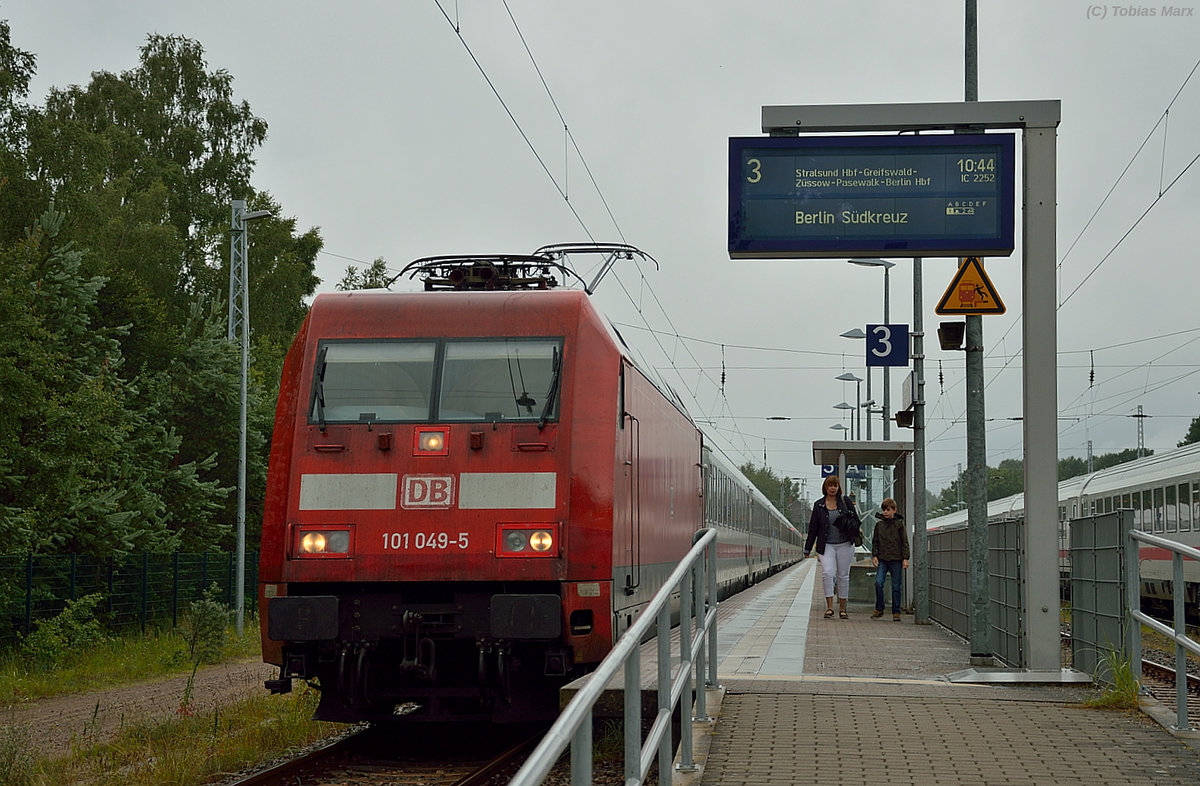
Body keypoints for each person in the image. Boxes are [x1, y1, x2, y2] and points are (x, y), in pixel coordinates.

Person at [804, 475, 860, 619]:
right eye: (830, 485)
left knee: (843, 575)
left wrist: (846, 523)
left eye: (835, 485)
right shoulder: (819, 505)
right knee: (827, 573)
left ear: (838, 487)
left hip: (845, 544)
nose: (832, 488)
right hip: (826, 544)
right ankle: (829, 607)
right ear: (825, 487)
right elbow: (813, 528)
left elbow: (856, 520)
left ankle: (842, 608)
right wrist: (808, 548)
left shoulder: (845, 502)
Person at [870, 497, 910, 621]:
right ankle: (880, 608)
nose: (885, 512)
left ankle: (896, 611)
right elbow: (875, 541)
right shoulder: (879, 525)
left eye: (888, 510)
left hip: (896, 559)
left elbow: (904, 542)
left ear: (894, 510)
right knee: (878, 583)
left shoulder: (899, 525)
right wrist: (875, 555)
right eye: (884, 510)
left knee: (896, 586)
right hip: (883, 558)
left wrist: (905, 558)